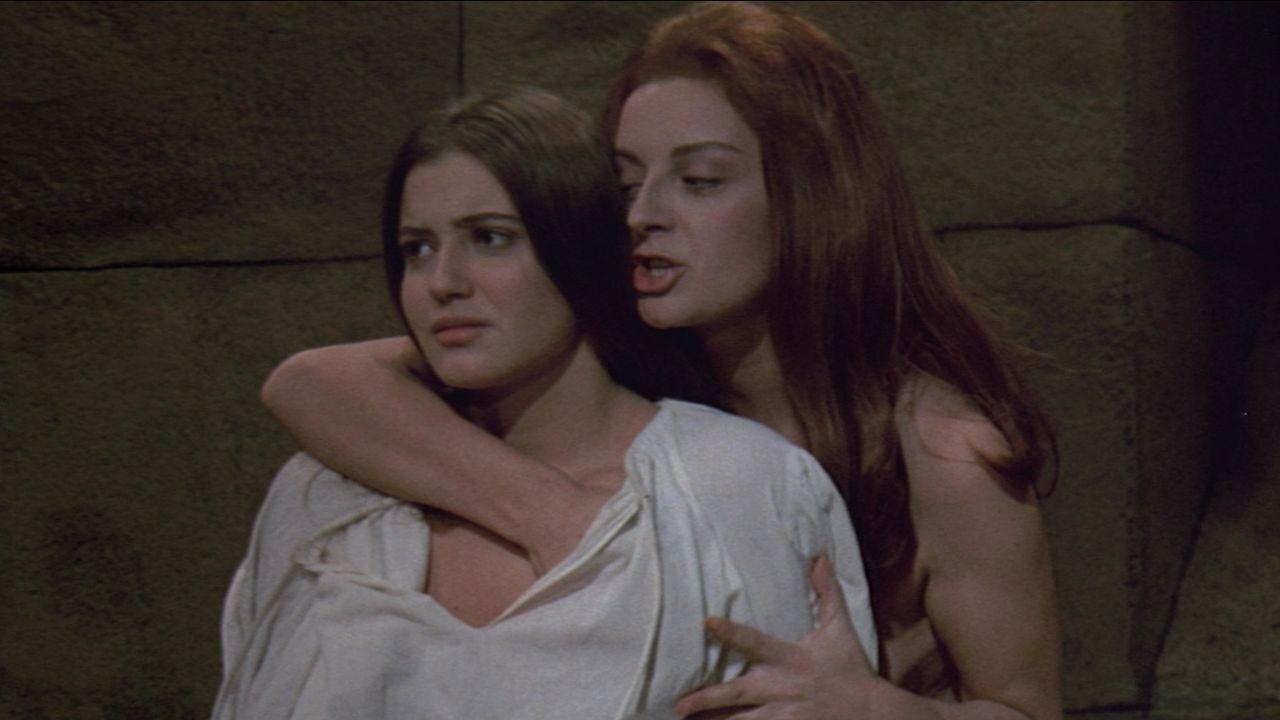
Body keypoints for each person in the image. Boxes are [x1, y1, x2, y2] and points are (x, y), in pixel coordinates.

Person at [261, 3, 1062, 718]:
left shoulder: (943, 450)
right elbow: (313, 383)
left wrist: (874, 712)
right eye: (625, 184)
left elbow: (1025, 709)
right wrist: (552, 514)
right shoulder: (615, 354)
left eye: (700, 181)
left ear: (813, 193)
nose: (644, 216)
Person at [214, 87, 876, 720]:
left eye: (490, 238)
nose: (443, 282)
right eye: (417, 249)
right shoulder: (327, 498)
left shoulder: (734, 486)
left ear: (579, 250)